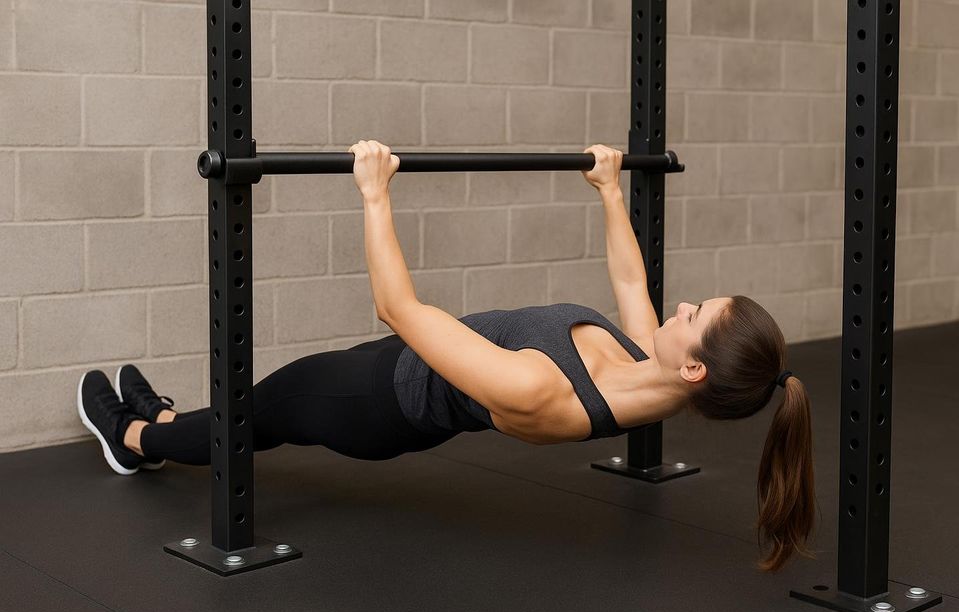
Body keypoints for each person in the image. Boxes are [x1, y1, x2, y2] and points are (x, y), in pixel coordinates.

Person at [77, 141, 815, 572]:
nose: (682, 307)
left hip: (373, 400)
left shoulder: (544, 390)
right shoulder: (649, 366)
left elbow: (399, 308)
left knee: (258, 413)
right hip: (395, 369)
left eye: (696, 315)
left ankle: (135, 439)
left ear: (696, 368)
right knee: (253, 411)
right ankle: (169, 420)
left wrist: (374, 193)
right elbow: (630, 280)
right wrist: (609, 188)